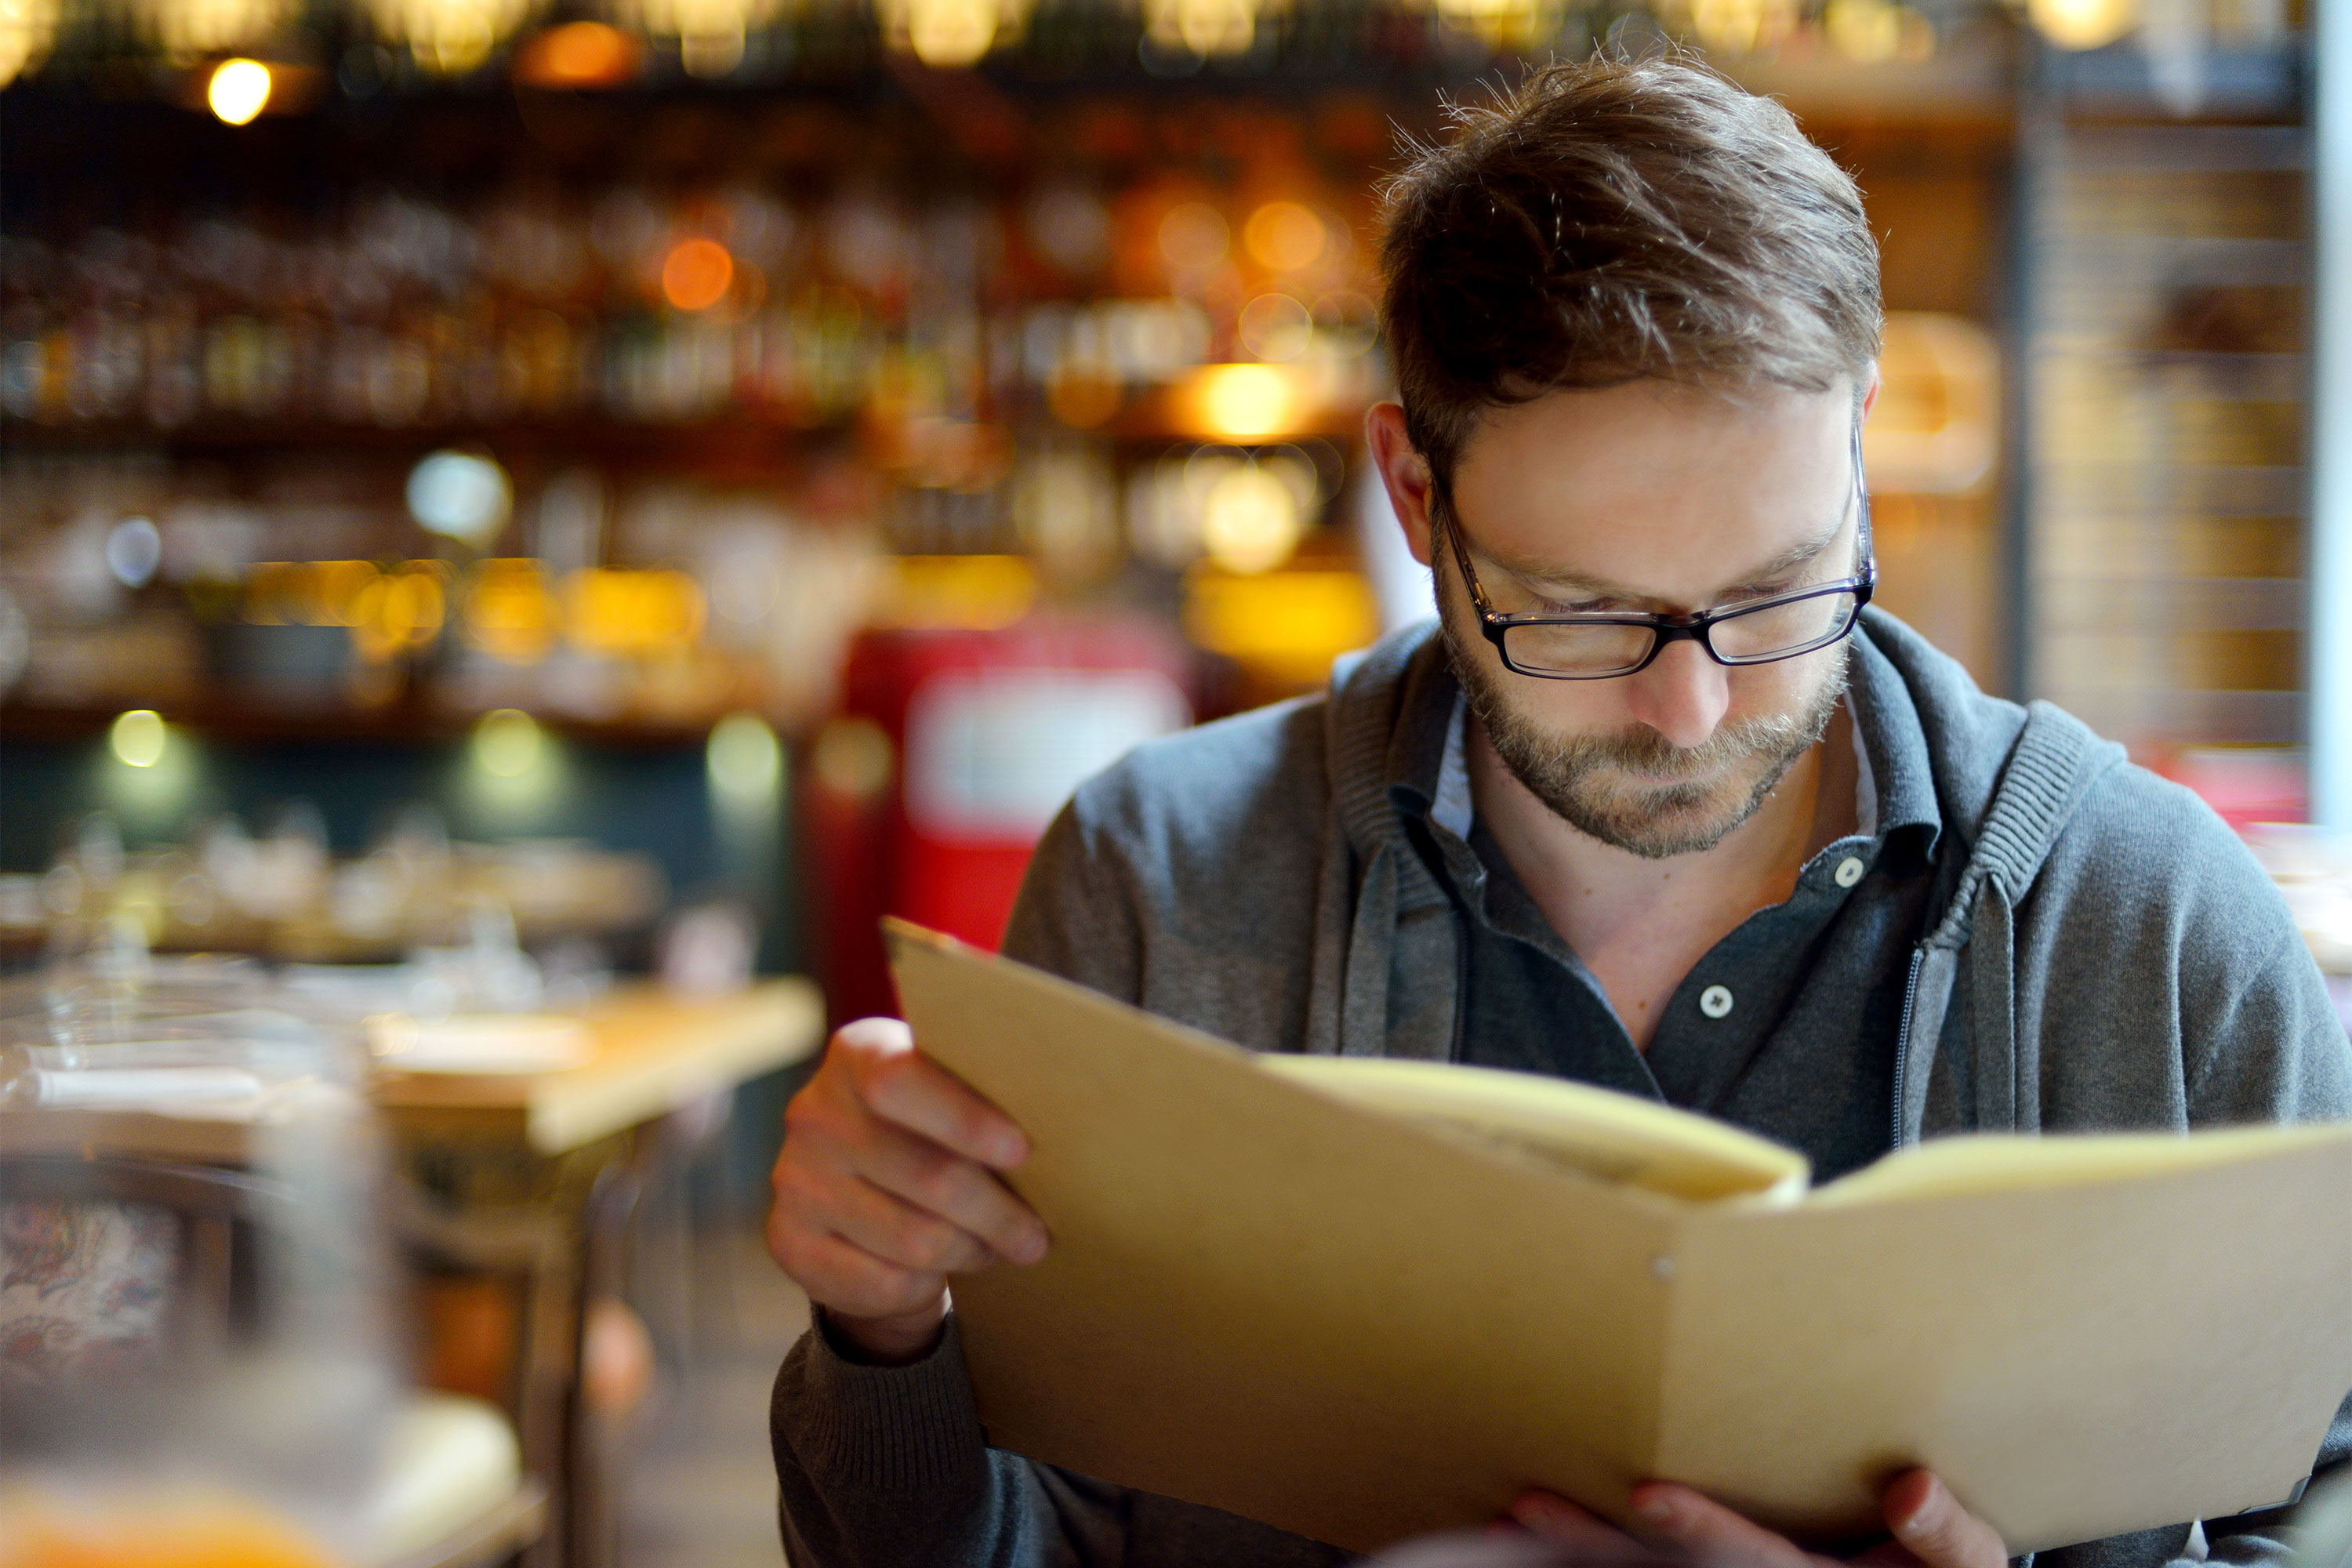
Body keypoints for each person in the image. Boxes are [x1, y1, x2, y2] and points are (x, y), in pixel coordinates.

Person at [764, 53, 2352, 1568]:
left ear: (1857, 448)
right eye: (1581, 614)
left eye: (1779, 593)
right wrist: (883, 1333)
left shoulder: (2158, 929)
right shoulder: (1155, 881)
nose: (1692, 709)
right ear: (1412, 493)